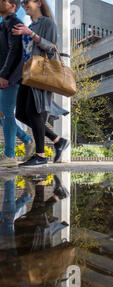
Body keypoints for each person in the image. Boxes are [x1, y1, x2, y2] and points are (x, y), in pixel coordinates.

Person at [12, 0, 69, 167]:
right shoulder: (32, 25)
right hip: (26, 74)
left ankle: (41, 155)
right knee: (20, 114)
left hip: (40, 74)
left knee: (34, 111)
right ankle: (57, 140)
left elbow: (51, 48)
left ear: (38, 3)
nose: (23, 5)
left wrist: (31, 34)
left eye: (26, 2)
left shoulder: (47, 23)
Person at [0, 0, 35, 168]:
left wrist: (5, 75)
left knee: (5, 112)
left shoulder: (14, 22)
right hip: (5, 74)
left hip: (11, 76)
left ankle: (10, 155)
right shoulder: (5, 23)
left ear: (13, 6)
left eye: (3, 1)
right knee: (1, 113)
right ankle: (27, 140)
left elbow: (15, 52)